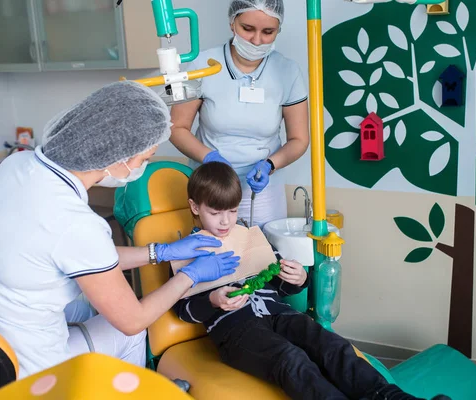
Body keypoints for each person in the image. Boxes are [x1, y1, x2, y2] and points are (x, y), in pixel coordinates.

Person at [0, 81, 240, 378]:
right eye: (145, 159)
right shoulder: (75, 222)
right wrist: (189, 277)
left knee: (89, 308)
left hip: (8, 325)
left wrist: (159, 252)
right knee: (129, 335)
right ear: (120, 155)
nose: (143, 166)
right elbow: (133, 319)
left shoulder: (16, 164)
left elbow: (82, 255)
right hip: (34, 369)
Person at [174, 162, 445, 400]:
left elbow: (281, 283)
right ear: (195, 207)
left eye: (232, 211)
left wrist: (297, 278)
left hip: (279, 315)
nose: (225, 221)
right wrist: (213, 299)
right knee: (290, 359)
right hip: (236, 330)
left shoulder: (249, 238)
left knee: (332, 346)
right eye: (216, 212)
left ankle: (391, 398)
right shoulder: (184, 252)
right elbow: (182, 309)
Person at [170, 0, 309, 228]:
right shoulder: (203, 65)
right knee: (213, 255)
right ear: (232, 23)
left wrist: (270, 165)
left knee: (264, 256)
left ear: (279, 29)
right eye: (247, 29)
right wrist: (209, 157)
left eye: (268, 32)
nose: (256, 40)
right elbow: (176, 128)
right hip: (211, 186)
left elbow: (299, 139)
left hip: (262, 190)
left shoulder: (287, 72)